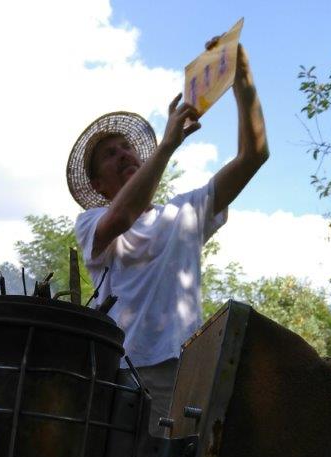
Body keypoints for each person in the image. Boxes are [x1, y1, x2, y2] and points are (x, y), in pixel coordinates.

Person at [67, 41, 269, 435]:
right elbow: (122, 215)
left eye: (127, 147)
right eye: (110, 154)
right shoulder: (91, 223)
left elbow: (254, 156)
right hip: (126, 373)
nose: (124, 153)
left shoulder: (185, 212)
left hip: (189, 370)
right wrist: (168, 145)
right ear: (98, 184)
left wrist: (243, 80)